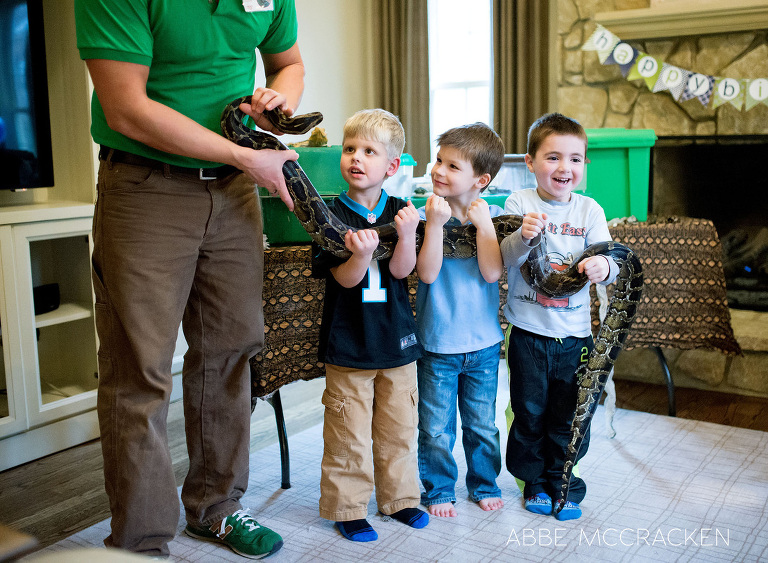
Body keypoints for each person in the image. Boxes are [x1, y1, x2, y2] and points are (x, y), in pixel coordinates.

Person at [74, 0, 305, 558]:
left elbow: (288, 63)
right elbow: (126, 108)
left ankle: (216, 508)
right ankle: (142, 539)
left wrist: (278, 105)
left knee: (231, 351)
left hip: (233, 192)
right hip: (145, 188)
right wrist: (245, 155)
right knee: (140, 368)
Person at [312, 108, 428, 542]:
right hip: (349, 342)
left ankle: (400, 499)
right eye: (349, 149)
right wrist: (359, 254)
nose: (356, 158)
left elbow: (401, 271)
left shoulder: (401, 211)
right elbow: (344, 278)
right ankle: (348, 506)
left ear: (391, 166)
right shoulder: (327, 214)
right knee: (348, 431)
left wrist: (411, 231)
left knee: (399, 426)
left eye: (368, 151)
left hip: (396, 339)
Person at [501, 112, 619, 521]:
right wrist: (523, 235)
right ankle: (532, 481)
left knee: (568, 413)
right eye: (552, 157)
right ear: (530, 162)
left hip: (575, 338)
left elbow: (610, 260)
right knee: (528, 410)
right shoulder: (520, 203)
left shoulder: (589, 211)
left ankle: (564, 481)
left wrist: (604, 268)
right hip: (529, 332)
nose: (564, 167)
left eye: (574, 159)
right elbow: (507, 259)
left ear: (584, 166)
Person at [415, 123, 506, 518]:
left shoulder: (498, 217)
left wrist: (483, 224)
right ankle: (438, 489)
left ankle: (484, 484)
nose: (439, 170)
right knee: (436, 428)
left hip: (484, 344)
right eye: (438, 160)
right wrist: (434, 225)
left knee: (482, 425)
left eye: (453, 166)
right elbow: (428, 274)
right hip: (437, 343)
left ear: (481, 180)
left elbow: (492, 272)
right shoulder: (423, 216)